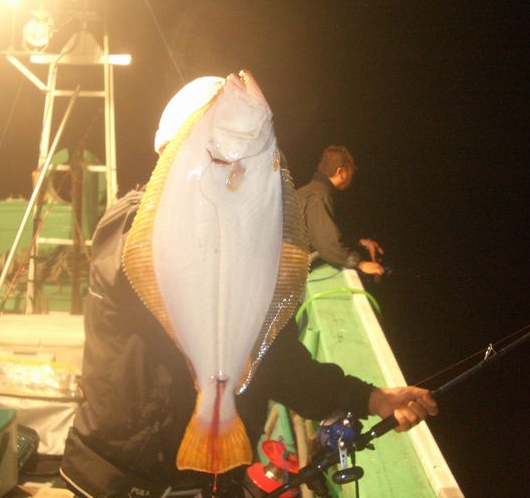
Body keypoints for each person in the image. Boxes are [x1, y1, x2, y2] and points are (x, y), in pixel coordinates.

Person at [60, 78, 437, 497]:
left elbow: (279, 364)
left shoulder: (247, 256)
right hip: (112, 479)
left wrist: (370, 398)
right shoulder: (126, 225)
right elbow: (128, 268)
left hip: (212, 483)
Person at [296, 145, 385, 276]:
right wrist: (360, 264)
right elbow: (327, 245)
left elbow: (324, 233)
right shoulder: (319, 198)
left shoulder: (309, 191)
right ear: (341, 172)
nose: (351, 176)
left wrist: (361, 243)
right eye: (351, 171)